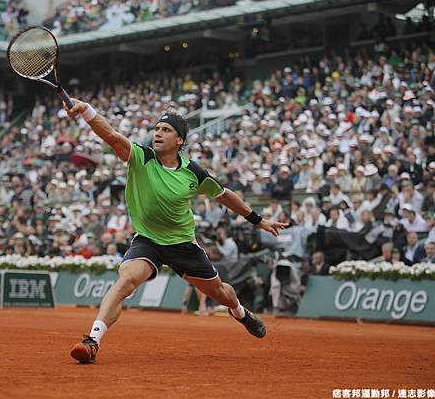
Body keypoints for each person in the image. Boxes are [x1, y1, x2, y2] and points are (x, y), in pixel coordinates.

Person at [65, 99, 287, 363]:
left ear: (180, 140)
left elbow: (225, 196)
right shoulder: (141, 157)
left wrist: (258, 220)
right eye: (157, 129)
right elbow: (111, 135)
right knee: (126, 280)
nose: (158, 133)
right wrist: (87, 110)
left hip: (183, 244)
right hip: (148, 240)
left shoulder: (193, 172)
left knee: (221, 293)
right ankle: (92, 341)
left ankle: (240, 312)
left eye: (165, 130)